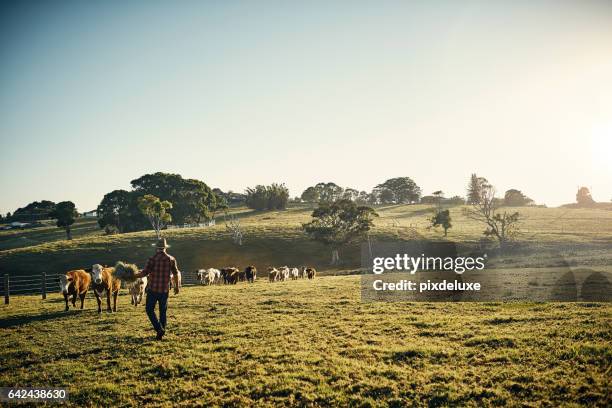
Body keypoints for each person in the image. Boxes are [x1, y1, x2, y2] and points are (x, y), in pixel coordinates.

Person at [135, 238, 180, 340]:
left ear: (156, 248)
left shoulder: (152, 259)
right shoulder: (171, 259)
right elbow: (176, 273)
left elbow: (144, 273)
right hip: (164, 290)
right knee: (162, 311)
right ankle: (161, 332)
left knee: (149, 309)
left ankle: (159, 329)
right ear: (165, 248)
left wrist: (133, 275)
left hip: (152, 289)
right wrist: (177, 287)